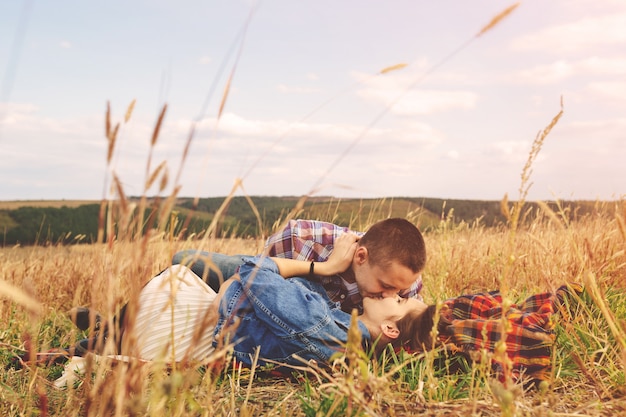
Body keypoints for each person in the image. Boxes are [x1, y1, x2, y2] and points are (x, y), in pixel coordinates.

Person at [173, 218, 427, 313]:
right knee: (183, 262)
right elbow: (258, 283)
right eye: (385, 286)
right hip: (265, 275)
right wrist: (327, 267)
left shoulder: (405, 281)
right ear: (361, 257)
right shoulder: (300, 239)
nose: (392, 295)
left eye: (399, 292)